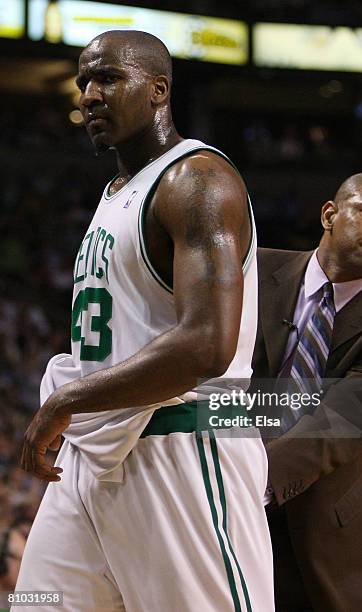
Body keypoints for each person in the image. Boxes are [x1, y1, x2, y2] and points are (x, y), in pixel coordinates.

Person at [14, 30, 274, 612]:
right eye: (84, 82)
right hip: (92, 456)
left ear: (158, 90)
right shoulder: (115, 192)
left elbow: (207, 345)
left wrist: (65, 402)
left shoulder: (197, 181)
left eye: (108, 78)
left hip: (182, 447)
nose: (90, 95)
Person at [251, 173, 362, 612]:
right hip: (212, 498)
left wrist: (242, 484)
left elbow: (339, 425)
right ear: (329, 215)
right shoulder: (250, 271)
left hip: (318, 537)